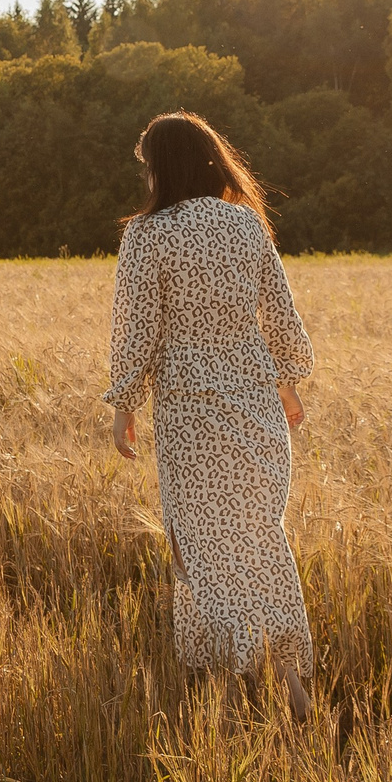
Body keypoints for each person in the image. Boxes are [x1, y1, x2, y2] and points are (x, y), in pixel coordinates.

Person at [103, 111, 317, 719]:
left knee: (200, 552)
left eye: (146, 166)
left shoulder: (148, 235)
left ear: (160, 168)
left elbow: (135, 329)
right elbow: (282, 319)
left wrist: (123, 403)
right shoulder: (246, 227)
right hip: (257, 412)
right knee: (254, 544)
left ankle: (254, 699)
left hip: (193, 417)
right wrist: (288, 382)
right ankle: (261, 695)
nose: (144, 177)